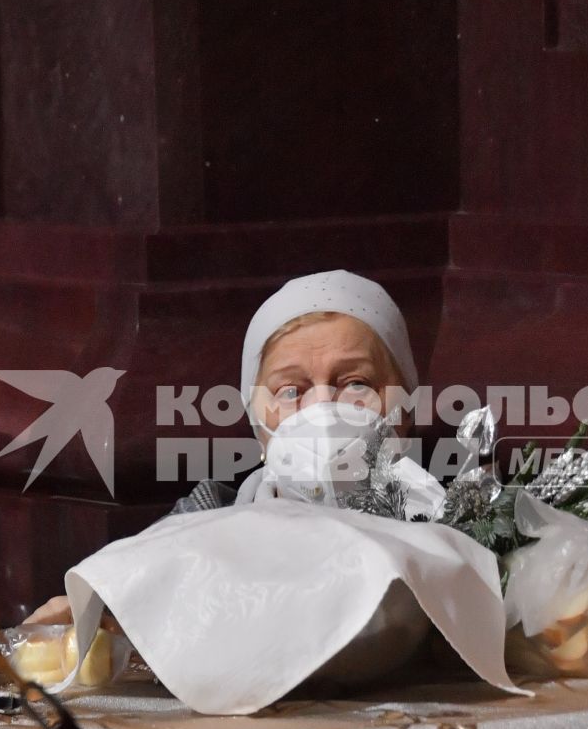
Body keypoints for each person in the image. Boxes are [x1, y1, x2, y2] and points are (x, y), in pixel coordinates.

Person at [24, 268, 420, 626]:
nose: (321, 408)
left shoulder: (454, 527)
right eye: (290, 390)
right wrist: (96, 614)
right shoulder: (205, 518)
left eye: (356, 383)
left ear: (404, 412)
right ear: (258, 425)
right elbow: (132, 591)